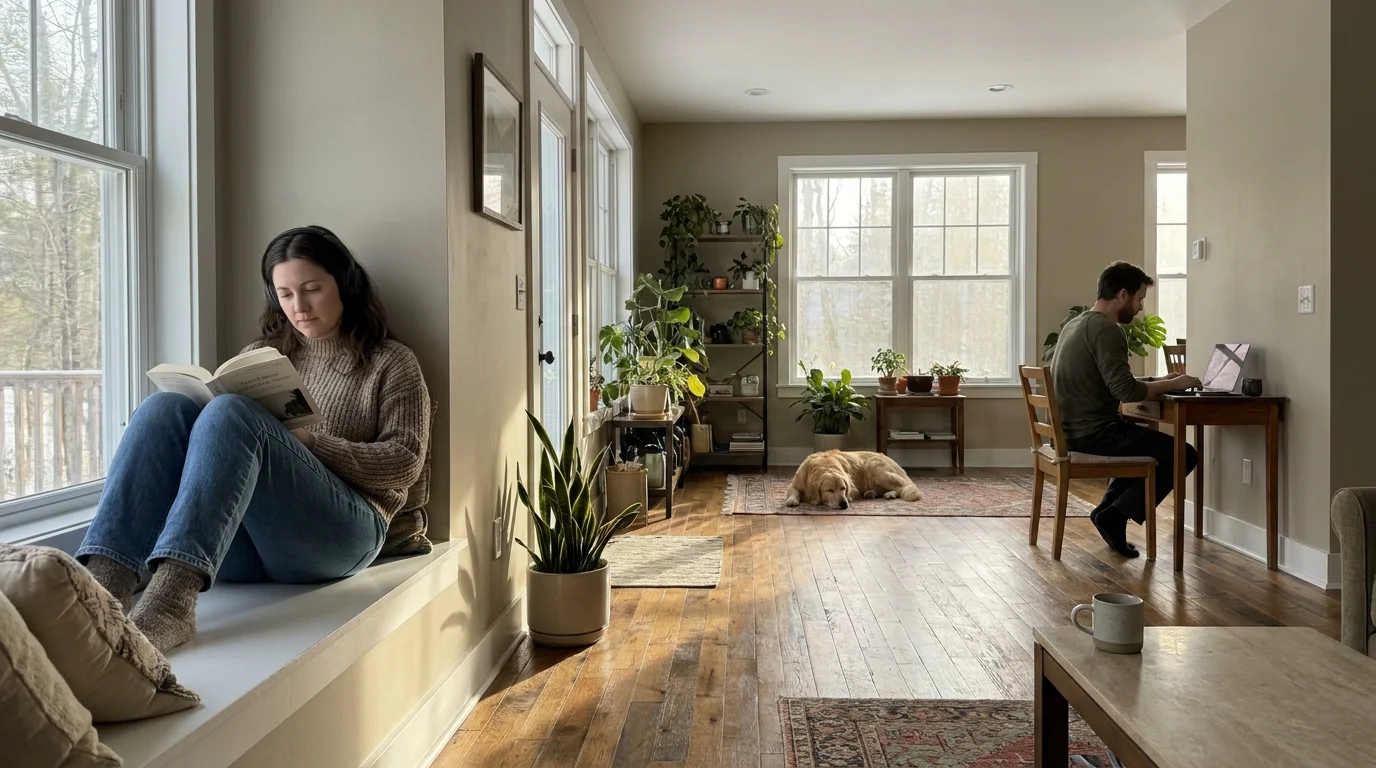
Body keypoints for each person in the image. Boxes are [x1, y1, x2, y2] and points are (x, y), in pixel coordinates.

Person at [76, 225, 431, 651]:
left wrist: (314, 444)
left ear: (346, 284)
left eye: (312, 289)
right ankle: (100, 592)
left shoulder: (390, 362)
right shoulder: (261, 357)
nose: (298, 307)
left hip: (343, 536)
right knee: (163, 407)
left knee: (231, 411)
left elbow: (404, 462)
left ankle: (171, 602)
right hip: (245, 546)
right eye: (285, 294)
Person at [1050, 261, 1200, 558]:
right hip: (1093, 434)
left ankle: (1108, 512)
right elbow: (1126, 392)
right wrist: (1177, 383)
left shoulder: (1077, 324)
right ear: (1122, 295)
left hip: (1071, 431)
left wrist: (1160, 381)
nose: (1141, 308)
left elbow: (1114, 382)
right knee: (1184, 454)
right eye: (1140, 299)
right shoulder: (1107, 330)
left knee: (1146, 445)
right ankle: (1113, 515)